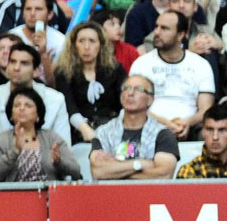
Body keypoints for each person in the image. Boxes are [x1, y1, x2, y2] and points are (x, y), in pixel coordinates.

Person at [0, 42, 72, 158]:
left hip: (46, 170)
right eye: (12, 62)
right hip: (2, 171)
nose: (16, 68)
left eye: (24, 63)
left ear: (36, 71)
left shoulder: (55, 100)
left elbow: (64, 149)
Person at [130, 10, 215, 139]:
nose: (157, 32)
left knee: (210, 134)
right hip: (149, 126)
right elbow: (134, 105)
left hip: (191, 127)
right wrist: (166, 124)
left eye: (164, 28)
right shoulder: (141, 64)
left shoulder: (200, 65)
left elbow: (206, 110)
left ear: (181, 35)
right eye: (156, 26)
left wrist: (186, 123)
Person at [89, 75, 181, 179]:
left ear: (150, 99)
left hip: (150, 194)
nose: (130, 93)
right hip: (111, 194)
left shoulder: (163, 134)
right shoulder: (104, 132)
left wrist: (115, 171)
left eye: (138, 89)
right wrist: (140, 164)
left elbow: (163, 174)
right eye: (126, 88)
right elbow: (98, 172)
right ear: (121, 96)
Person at [0, 87, 82, 182]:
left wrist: (59, 162)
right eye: (17, 105)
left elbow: (76, 172)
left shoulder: (51, 138)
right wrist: (14, 151)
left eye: (28, 105)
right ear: (11, 115)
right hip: (13, 197)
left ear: (38, 115)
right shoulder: (1, 140)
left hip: (48, 196)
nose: (21, 108)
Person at [51, 22, 124, 143]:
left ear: (101, 45)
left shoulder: (114, 69)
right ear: (74, 45)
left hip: (112, 127)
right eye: (81, 41)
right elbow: (68, 105)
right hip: (77, 131)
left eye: (92, 41)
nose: (86, 47)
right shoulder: (64, 72)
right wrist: (85, 129)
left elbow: (123, 102)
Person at [175, 104, 227, 179]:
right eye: (210, 129)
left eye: (222, 130)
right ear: (203, 132)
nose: (215, 137)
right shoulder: (190, 170)